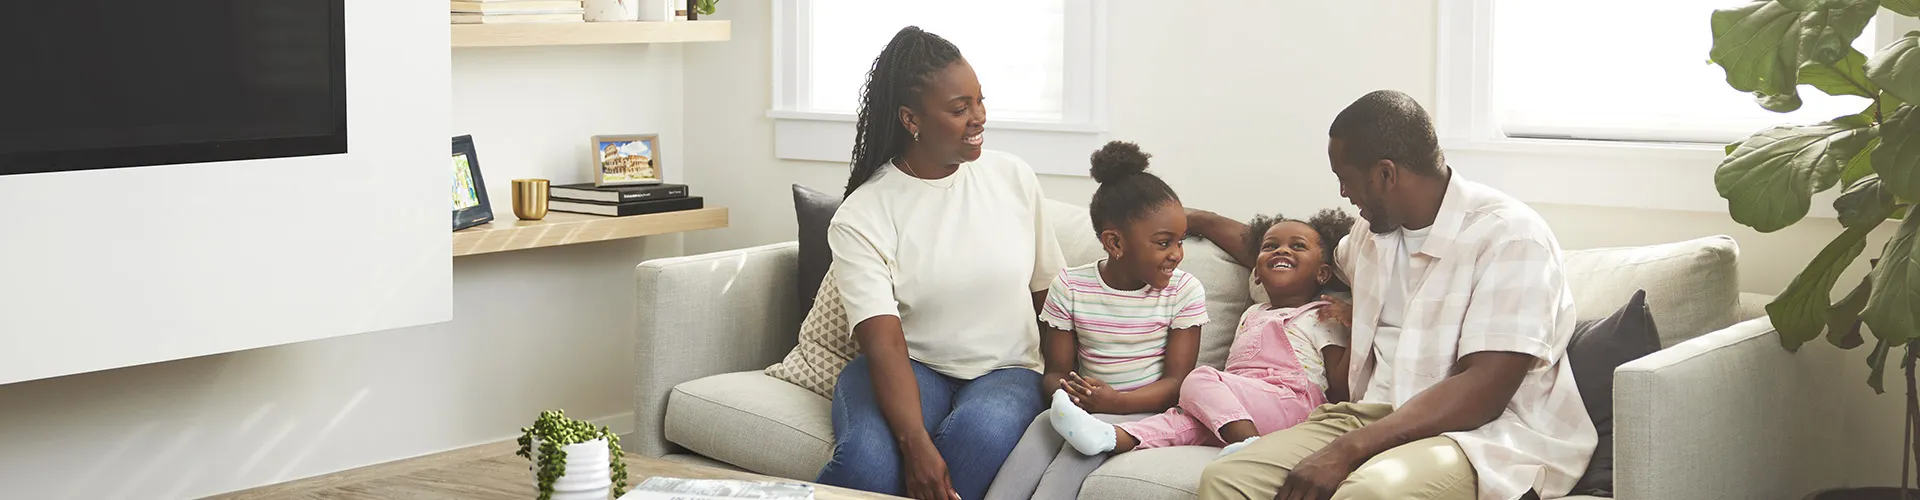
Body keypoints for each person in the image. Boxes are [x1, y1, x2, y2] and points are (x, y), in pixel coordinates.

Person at [1193, 90, 1597, 500]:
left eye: (1345, 178)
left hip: (1479, 435)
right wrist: (1197, 221)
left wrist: (1347, 451)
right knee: (1227, 479)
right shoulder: (1370, 236)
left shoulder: (1511, 237)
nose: (1343, 194)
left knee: (1369, 493)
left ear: (1386, 174)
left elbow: (1485, 390)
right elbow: (1292, 262)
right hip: (1370, 417)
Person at [815, 26, 1067, 500]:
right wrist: (915, 448)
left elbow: (1047, 295)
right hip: (911, 367)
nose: (979, 118)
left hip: (1007, 371)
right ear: (911, 119)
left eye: (979, 101)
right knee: (868, 467)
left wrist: (1062, 378)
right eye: (959, 108)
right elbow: (883, 342)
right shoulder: (865, 213)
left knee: (974, 444)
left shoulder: (1013, 176)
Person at [982, 141, 1209, 500]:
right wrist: (1070, 395)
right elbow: (1055, 372)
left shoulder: (1184, 292)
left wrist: (1114, 402)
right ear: (1114, 243)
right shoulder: (1070, 286)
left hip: (1142, 411)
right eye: (1164, 243)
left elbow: (1176, 383)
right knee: (1040, 430)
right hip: (1088, 406)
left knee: (1078, 451)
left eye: (1180, 241)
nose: (1176, 255)